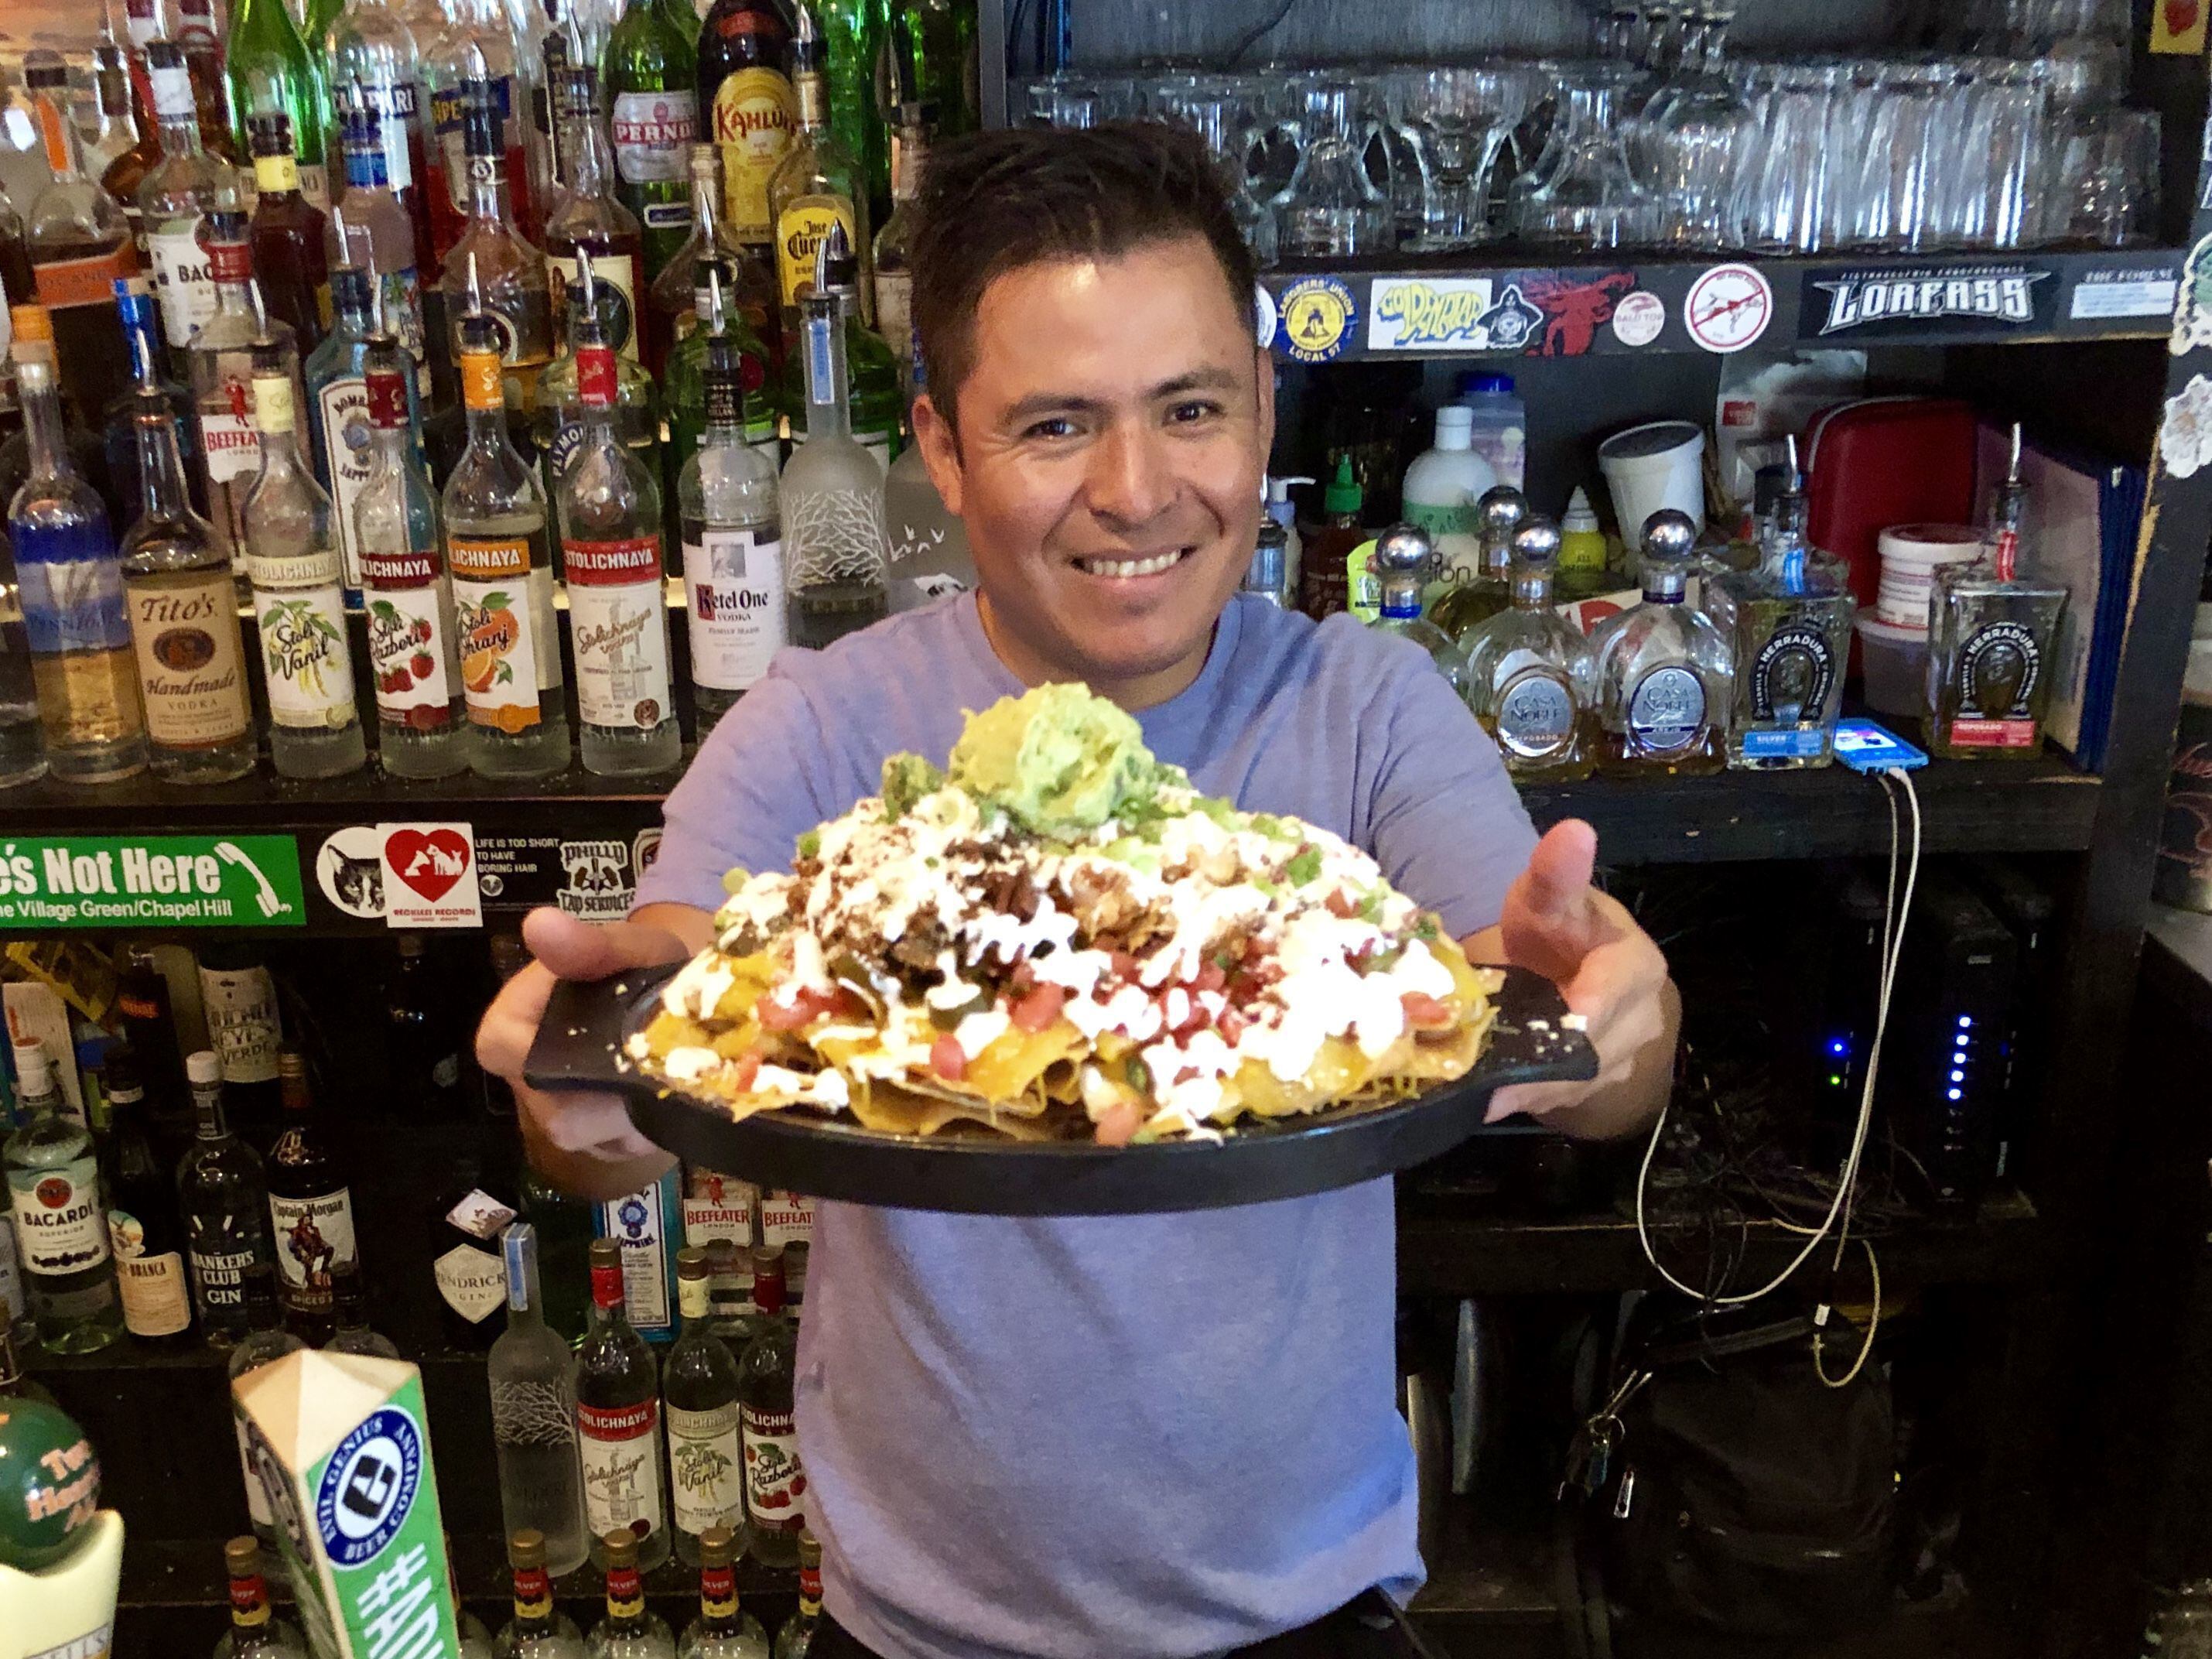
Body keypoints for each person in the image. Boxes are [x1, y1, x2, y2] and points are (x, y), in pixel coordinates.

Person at [478, 122, 1677, 1659]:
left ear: (1262, 409)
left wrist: (1608, 1016)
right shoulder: (822, 726)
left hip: (1306, 1612)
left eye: (1191, 408)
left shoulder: (1368, 708)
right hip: (915, 1634)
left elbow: (1581, 1040)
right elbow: (665, 990)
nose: (1135, 490)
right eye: (1055, 426)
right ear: (940, 449)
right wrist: (586, 1085)